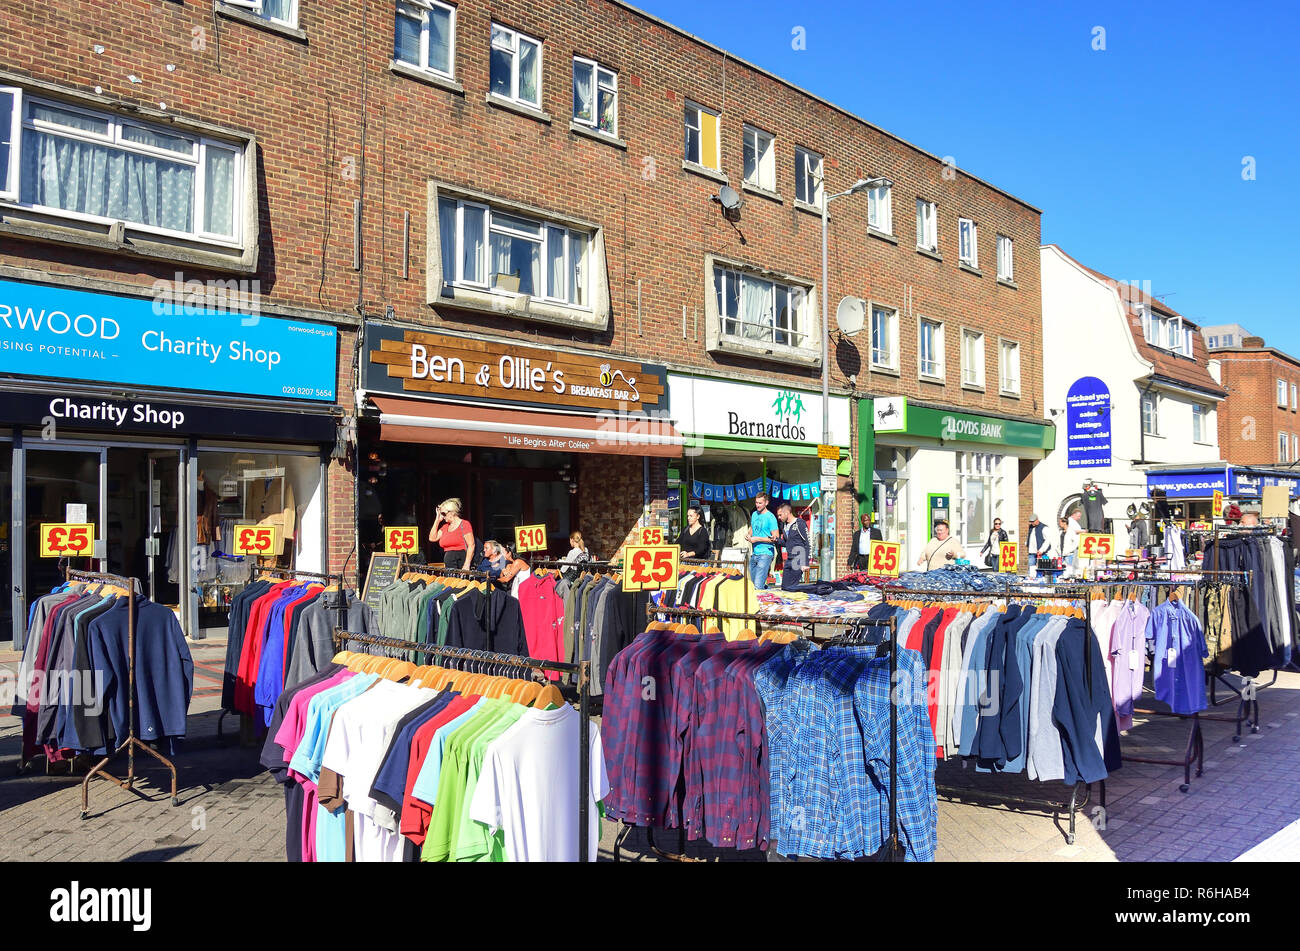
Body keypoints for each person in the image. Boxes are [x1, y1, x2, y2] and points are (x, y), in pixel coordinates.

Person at [744, 493, 780, 589]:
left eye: (760, 503)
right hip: (755, 553)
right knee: (752, 586)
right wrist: (749, 534)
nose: (757, 505)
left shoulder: (770, 517)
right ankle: (771, 593)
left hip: (766, 553)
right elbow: (753, 527)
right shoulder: (754, 514)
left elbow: (775, 538)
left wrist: (757, 539)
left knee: (757, 586)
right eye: (756, 502)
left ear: (766, 503)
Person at [428, 498, 474, 569]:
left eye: (443, 513)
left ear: (452, 512)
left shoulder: (464, 524)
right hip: (449, 565)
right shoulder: (445, 527)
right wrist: (437, 520)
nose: (442, 516)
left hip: (461, 562)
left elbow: (471, 545)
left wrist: (467, 564)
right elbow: (432, 538)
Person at [776, 501, 810, 589]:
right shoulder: (784, 526)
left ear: (787, 513)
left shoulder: (800, 523)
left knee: (792, 588)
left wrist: (805, 563)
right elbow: (787, 543)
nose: (779, 517)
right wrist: (776, 540)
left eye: (780, 515)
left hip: (799, 559)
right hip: (789, 559)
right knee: (784, 587)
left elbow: (807, 543)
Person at [1062, 509, 1082, 577]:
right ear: (1073, 515)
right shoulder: (1070, 521)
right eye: (1078, 516)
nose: (1079, 518)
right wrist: (1083, 531)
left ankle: (1073, 574)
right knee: (1070, 564)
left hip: (1075, 545)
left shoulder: (1074, 521)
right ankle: (1070, 576)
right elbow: (1074, 531)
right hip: (1071, 547)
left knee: (1074, 562)